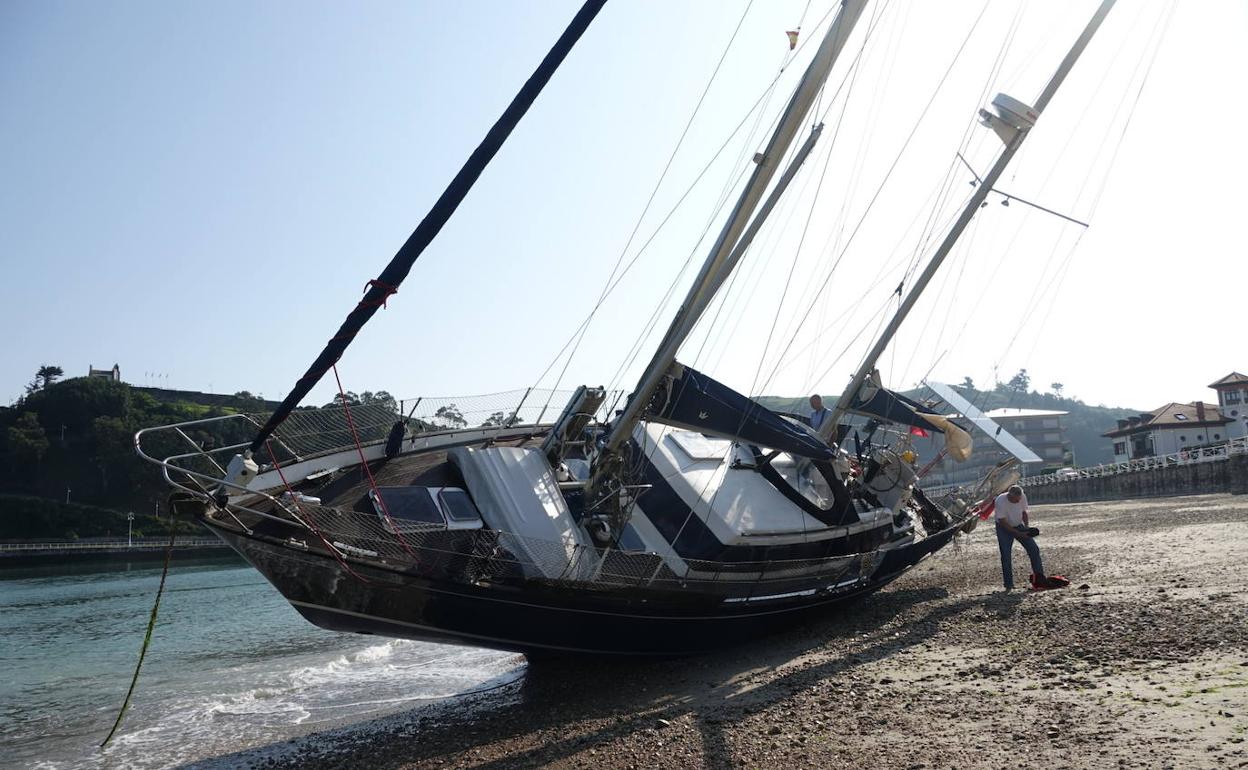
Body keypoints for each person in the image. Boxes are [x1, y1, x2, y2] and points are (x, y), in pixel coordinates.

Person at [993, 484, 1047, 591]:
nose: (1018, 502)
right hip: (1003, 528)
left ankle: (1039, 579)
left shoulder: (1022, 497)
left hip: (1018, 525)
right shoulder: (1000, 501)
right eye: (1016, 500)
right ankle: (1009, 584)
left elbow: (1024, 512)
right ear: (1010, 496)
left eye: (1019, 499)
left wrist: (1026, 528)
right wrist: (1018, 534)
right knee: (1006, 555)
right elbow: (1003, 522)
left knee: (1034, 549)